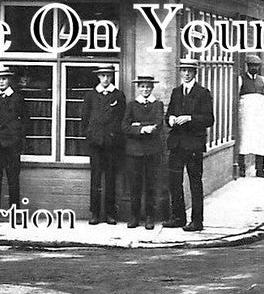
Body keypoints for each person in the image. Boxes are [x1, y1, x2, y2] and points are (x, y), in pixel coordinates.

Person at [166, 58, 215, 232]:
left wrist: (190, 118)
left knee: (195, 182)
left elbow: (209, 119)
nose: (186, 74)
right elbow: (169, 114)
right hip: (177, 143)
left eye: (189, 71)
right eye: (183, 70)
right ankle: (178, 217)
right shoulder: (176, 92)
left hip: (193, 144)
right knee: (174, 182)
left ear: (195, 72)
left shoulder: (203, 93)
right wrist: (170, 119)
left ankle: (197, 221)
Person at [80, 65, 126, 225]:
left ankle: (110, 213)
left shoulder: (118, 95)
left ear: (112, 77)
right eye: (103, 76)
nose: (105, 79)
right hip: (96, 143)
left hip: (112, 144)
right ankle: (95, 213)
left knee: (111, 179)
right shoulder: (91, 95)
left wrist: (114, 135)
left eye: (108, 75)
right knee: (96, 178)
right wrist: (92, 134)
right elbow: (84, 118)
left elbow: (122, 119)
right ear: (98, 77)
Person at [0, 65, 28, 213]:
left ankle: (15, 213)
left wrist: (18, 138)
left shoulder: (17, 98)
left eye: (4, 79)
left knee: (13, 179)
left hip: (12, 145)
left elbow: (26, 121)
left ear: (9, 80)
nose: (1, 82)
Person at [123, 74, 164, 230]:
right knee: (135, 185)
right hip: (134, 152)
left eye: (148, 87)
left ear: (152, 88)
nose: (145, 89)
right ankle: (134, 216)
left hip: (152, 151)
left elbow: (158, 124)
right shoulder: (132, 105)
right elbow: (125, 127)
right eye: (142, 86)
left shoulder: (157, 104)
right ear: (138, 88)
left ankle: (149, 217)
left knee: (150, 185)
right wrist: (141, 128)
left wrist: (139, 125)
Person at [236, 54, 264, 179]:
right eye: (252, 65)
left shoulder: (262, 80)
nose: (254, 68)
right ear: (247, 66)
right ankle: (242, 168)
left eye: (256, 66)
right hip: (246, 113)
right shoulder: (241, 79)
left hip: (259, 113)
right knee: (244, 137)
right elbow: (237, 96)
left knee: (260, 138)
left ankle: (260, 169)